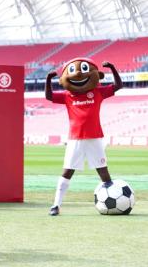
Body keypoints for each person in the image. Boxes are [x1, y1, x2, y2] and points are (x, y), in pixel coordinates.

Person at [45, 57, 122, 216]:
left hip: (95, 138)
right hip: (75, 139)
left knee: (104, 174)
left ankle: (114, 203)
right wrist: (48, 80)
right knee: (67, 172)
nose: (79, 75)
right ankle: (55, 205)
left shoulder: (98, 92)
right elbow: (49, 96)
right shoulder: (67, 95)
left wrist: (113, 68)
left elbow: (118, 86)